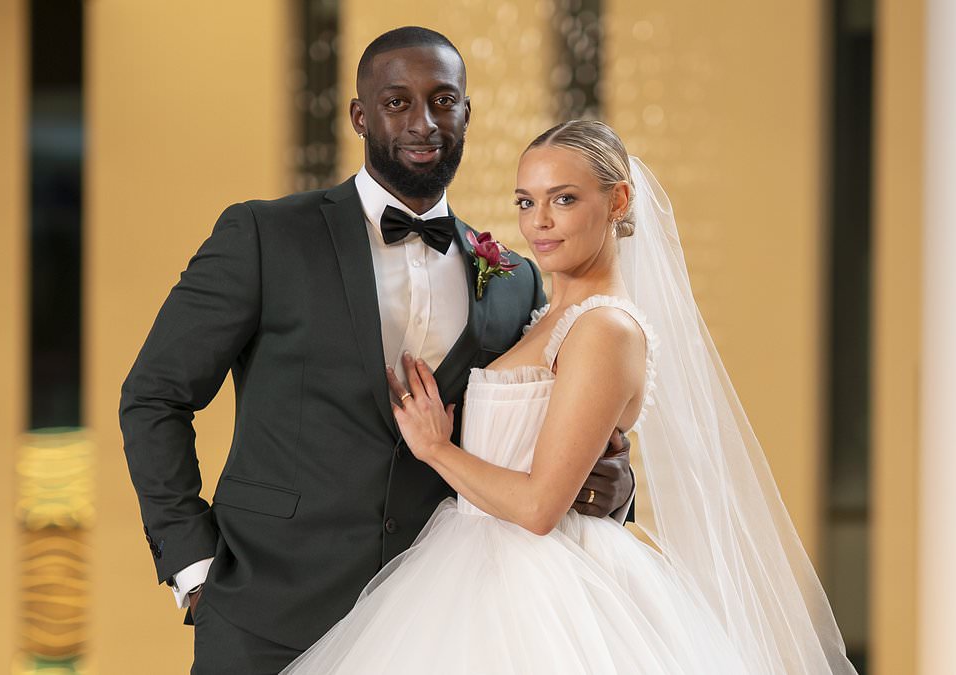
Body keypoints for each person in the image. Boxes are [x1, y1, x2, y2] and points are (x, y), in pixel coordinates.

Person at [119, 28, 634, 674]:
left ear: (467, 113)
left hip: (438, 627)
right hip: (266, 617)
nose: (424, 122)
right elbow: (153, 395)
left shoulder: (515, 280)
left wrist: (613, 488)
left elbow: (548, 430)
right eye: (397, 102)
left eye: (443, 101)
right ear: (360, 116)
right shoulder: (265, 236)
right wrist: (195, 570)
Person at [280, 120, 859, 674]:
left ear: (618, 201)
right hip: (472, 563)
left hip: (542, 590)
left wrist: (435, 448)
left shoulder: (605, 329)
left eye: (564, 199)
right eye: (526, 201)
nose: (539, 222)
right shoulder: (543, 314)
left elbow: (540, 508)